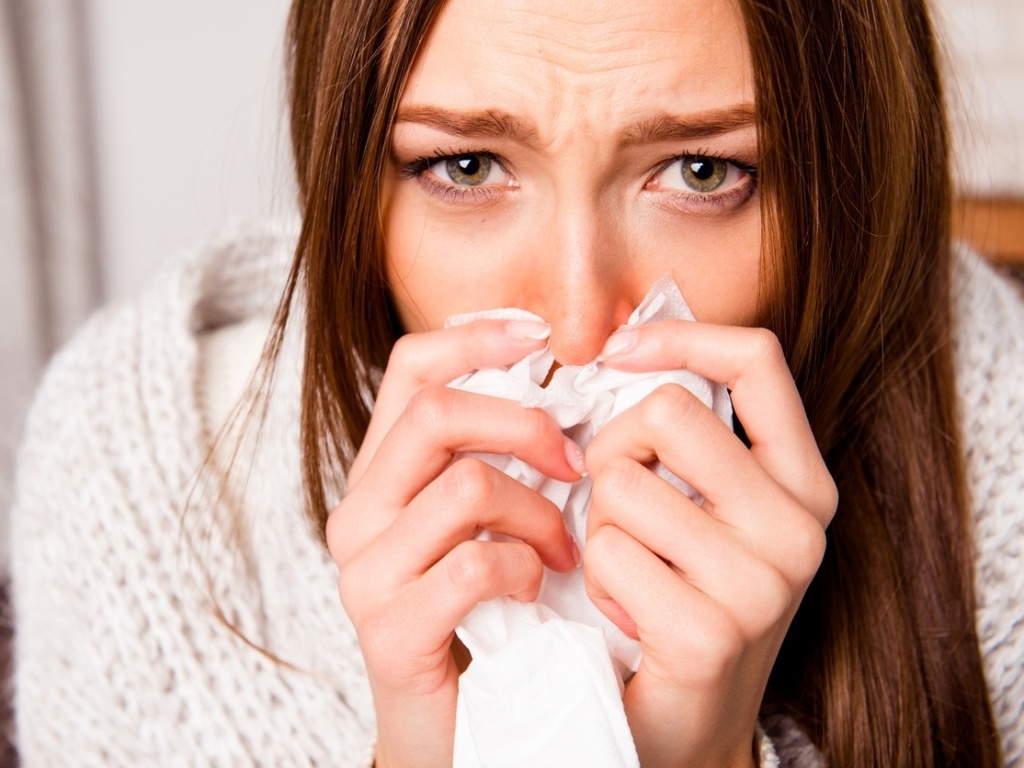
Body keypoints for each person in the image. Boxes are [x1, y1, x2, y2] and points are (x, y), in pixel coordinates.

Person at [10, 0, 1024, 765]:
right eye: (464, 167)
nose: (582, 322)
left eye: (702, 173)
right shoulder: (137, 477)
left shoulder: (995, 454)